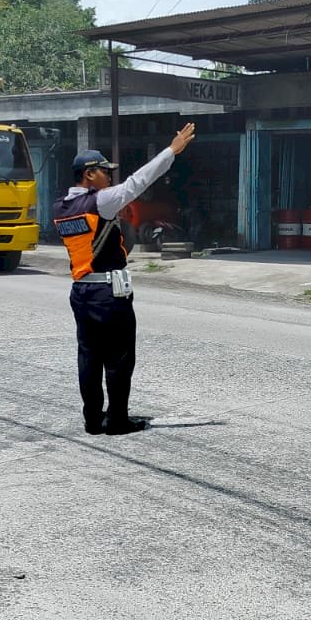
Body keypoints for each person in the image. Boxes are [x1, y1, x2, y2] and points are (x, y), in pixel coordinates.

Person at [53, 122, 196, 435]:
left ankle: (93, 420)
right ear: (89, 174)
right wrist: (171, 151)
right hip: (109, 294)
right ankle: (117, 421)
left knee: (89, 357)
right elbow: (138, 182)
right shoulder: (99, 201)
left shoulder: (61, 208)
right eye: (105, 172)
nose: (109, 177)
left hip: (81, 291)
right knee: (118, 359)